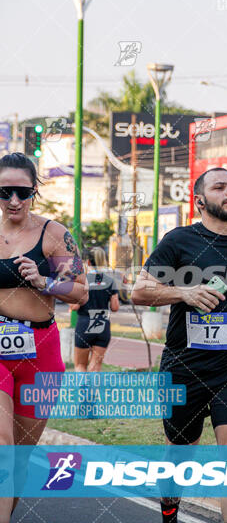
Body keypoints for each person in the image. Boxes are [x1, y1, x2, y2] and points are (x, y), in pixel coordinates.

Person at [132, 167, 227, 523]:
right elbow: (138, 291)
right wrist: (184, 292)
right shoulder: (178, 241)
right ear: (199, 200)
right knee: (180, 453)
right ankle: (169, 513)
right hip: (185, 366)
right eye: (220, 187)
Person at [0, 152, 88, 523]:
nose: (14, 201)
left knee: (19, 462)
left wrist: (43, 280)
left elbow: (81, 291)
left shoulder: (55, 234)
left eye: (22, 191)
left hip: (42, 351)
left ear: (35, 190)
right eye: (5, 192)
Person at [72, 247, 119, 372]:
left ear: (87, 262)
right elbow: (115, 307)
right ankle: (93, 392)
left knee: (80, 365)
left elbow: (75, 306)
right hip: (102, 322)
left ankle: (83, 391)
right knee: (95, 366)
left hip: (85, 322)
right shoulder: (110, 281)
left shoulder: (83, 281)